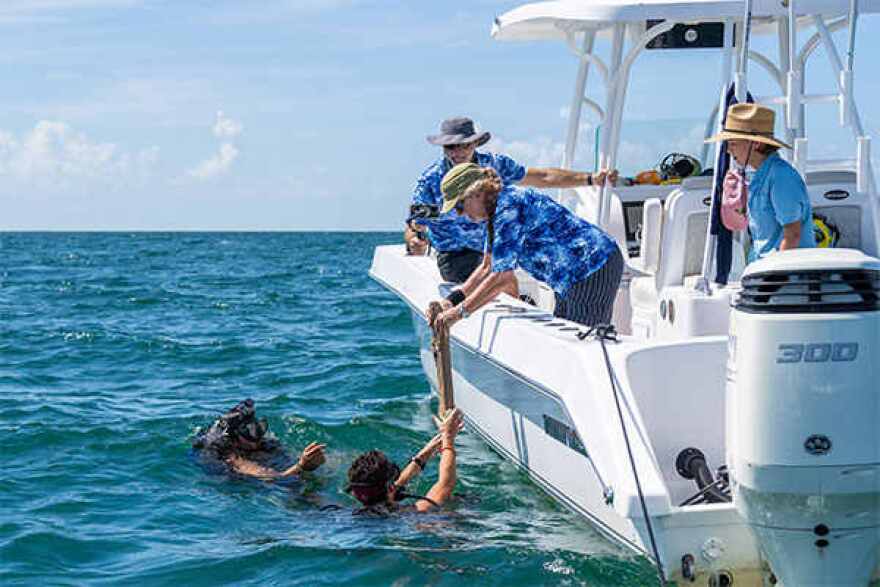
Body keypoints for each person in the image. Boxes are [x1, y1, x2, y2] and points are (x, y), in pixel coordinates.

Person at [406, 116, 617, 286]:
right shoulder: (431, 182)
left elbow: (541, 177)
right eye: (451, 147)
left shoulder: (494, 165)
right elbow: (415, 225)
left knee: (518, 262)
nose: (458, 152)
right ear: (443, 148)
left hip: (499, 241)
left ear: (475, 143)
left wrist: (590, 178)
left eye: (464, 145)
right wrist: (415, 239)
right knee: (496, 274)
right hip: (458, 254)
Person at [429, 163, 624, 330]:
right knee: (568, 336)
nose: (461, 214)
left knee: (584, 342)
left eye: (459, 206)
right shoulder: (496, 210)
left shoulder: (507, 209)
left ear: (476, 193)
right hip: (569, 278)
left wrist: (458, 314)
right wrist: (451, 301)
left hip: (593, 265)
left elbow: (502, 277)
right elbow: (488, 266)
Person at [707, 103, 815, 262]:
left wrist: (776, 276)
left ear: (756, 144)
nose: (729, 150)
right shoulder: (761, 175)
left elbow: (792, 235)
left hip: (783, 275)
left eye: (733, 144)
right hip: (764, 270)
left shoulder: (781, 176)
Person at [346, 408, 463, 514]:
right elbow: (446, 485)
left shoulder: (356, 511)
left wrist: (427, 451)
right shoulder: (414, 513)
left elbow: (396, 484)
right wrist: (448, 438)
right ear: (390, 488)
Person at [192, 398, 326, 480]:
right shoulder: (231, 457)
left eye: (257, 427)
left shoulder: (263, 443)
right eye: (248, 432)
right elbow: (274, 478)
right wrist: (302, 466)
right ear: (235, 438)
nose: (257, 436)